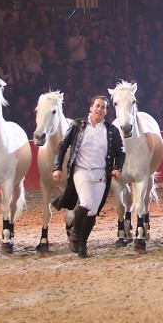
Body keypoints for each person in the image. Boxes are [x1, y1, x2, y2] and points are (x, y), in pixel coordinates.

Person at [51, 95, 125, 257]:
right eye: (97, 106)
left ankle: (83, 243)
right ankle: (75, 234)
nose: (99, 109)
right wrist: (57, 167)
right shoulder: (77, 126)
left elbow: (121, 152)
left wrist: (117, 167)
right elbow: (63, 146)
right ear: (91, 108)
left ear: (106, 111)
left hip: (101, 174)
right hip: (81, 171)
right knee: (86, 202)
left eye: (103, 107)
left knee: (93, 211)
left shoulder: (111, 130)